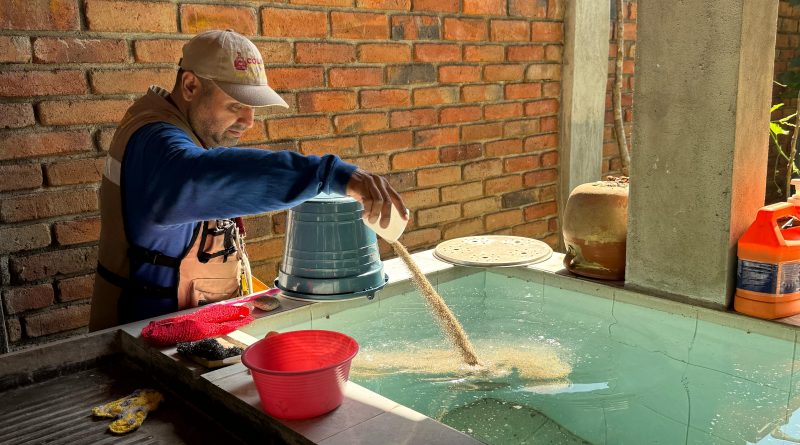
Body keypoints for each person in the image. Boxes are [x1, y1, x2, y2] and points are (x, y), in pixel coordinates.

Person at [89, 29, 407, 331]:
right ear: (190, 86)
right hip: (143, 346)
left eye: (252, 107)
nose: (249, 121)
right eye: (236, 105)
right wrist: (328, 174)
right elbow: (203, 178)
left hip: (187, 334)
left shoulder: (181, 129)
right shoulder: (156, 144)